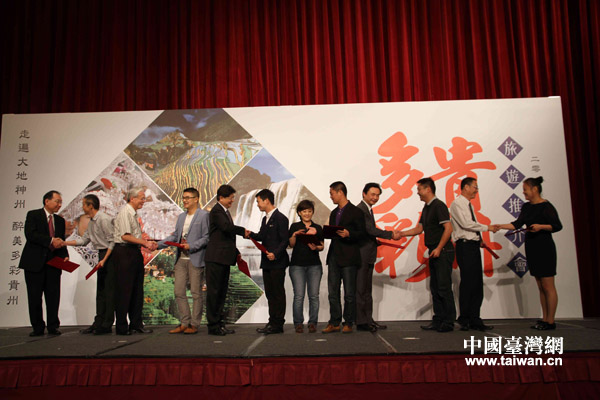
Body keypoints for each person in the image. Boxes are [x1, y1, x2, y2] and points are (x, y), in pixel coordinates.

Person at [493, 177, 562, 330]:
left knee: (548, 285)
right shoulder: (526, 207)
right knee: (540, 285)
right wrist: (500, 226)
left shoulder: (546, 206)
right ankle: (545, 318)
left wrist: (541, 226)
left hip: (545, 248)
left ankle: (551, 321)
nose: (523, 193)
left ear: (534, 189)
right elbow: (517, 224)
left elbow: (557, 226)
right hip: (532, 247)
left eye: (525, 190)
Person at [399, 177, 456, 332]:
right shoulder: (426, 207)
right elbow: (419, 229)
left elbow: (448, 228)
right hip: (434, 252)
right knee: (435, 287)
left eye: (419, 189)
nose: (417, 193)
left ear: (428, 189)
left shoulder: (439, 206)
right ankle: (438, 319)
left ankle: (449, 321)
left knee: (444, 287)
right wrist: (401, 233)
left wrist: (439, 248)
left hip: (443, 251)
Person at [158, 188, 209, 335]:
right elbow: (175, 237)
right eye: (183, 198)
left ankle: (194, 324)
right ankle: (184, 322)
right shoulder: (181, 217)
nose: (185, 200)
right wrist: (158, 244)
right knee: (179, 291)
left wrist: (191, 246)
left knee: (196, 293)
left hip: (195, 258)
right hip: (180, 259)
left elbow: (206, 237)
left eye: (188, 197)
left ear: (196, 199)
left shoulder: (204, 215)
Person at [63, 194, 116, 335]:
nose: (82, 207)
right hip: (101, 255)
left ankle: (107, 324)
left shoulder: (104, 219)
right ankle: (98, 322)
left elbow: (113, 240)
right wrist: (64, 243)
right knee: (101, 291)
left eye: (84, 205)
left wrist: (105, 259)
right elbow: (84, 240)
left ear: (90, 206)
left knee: (109, 291)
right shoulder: (92, 221)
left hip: (109, 256)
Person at [19, 190, 69, 336]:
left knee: (53, 296)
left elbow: (61, 240)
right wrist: (50, 240)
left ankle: (53, 326)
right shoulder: (33, 215)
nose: (59, 205)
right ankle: (37, 327)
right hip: (34, 263)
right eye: (57, 201)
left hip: (54, 263)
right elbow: (30, 235)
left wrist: (64, 255)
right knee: (35, 297)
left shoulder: (60, 221)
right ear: (47, 201)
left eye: (60, 202)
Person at [449, 178, 497, 332]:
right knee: (468, 282)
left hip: (473, 245)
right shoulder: (457, 203)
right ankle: (465, 318)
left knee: (476, 283)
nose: (477, 190)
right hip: (465, 247)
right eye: (475, 187)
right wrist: (488, 228)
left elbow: (471, 226)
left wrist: (479, 239)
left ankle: (475, 318)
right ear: (466, 187)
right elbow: (466, 224)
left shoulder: (469, 205)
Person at [204, 184, 249, 336]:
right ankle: (213, 326)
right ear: (221, 198)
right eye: (230, 198)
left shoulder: (225, 211)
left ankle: (220, 323)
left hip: (223, 258)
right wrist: (243, 231)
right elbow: (226, 228)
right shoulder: (217, 211)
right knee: (214, 293)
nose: (232, 200)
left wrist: (236, 252)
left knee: (221, 293)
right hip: (215, 258)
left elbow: (226, 237)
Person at [356, 183, 401, 332]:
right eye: (372, 194)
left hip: (368, 254)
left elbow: (367, 232)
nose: (375, 198)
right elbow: (369, 229)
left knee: (367, 290)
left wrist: (375, 241)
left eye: (377, 195)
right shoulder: (360, 209)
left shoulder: (368, 209)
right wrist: (390, 234)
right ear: (364, 194)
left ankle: (368, 320)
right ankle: (361, 321)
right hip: (362, 255)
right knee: (361, 289)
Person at [112, 187, 157, 335]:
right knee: (124, 290)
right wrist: (145, 243)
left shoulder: (133, 214)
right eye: (141, 198)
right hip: (124, 253)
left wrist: (146, 243)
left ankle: (136, 324)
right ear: (132, 198)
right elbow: (125, 236)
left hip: (133, 252)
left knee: (137, 290)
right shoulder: (125, 212)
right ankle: (122, 327)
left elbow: (134, 237)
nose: (143, 201)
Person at [322, 181, 365, 334]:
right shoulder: (334, 212)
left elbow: (362, 234)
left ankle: (348, 322)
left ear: (340, 192)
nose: (330, 196)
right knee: (332, 293)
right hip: (334, 255)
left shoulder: (356, 212)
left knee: (349, 293)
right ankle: (334, 322)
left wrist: (349, 234)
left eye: (332, 193)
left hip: (349, 256)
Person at [249, 189, 290, 334]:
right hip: (266, 261)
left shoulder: (281, 218)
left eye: (258, 201)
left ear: (266, 200)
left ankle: (278, 323)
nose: (257, 204)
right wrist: (250, 234)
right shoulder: (265, 219)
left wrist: (275, 254)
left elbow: (285, 240)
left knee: (278, 293)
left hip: (277, 262)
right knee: (270, 293)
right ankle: (272, 321)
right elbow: (261, 236)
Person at [289, 200, 324, 334]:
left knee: (314, 296)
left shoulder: (318, 227)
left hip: (314, 265)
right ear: (299, 213)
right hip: (297, 265)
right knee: (299, 296)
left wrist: (316, 247)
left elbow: (322, 246)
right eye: (304, 211)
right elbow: (291, 244)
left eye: (309, 211)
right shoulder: (295, 226)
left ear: (312, 212)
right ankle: (298, 323)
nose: (307, 214)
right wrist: (294, 234)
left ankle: (312, 323)